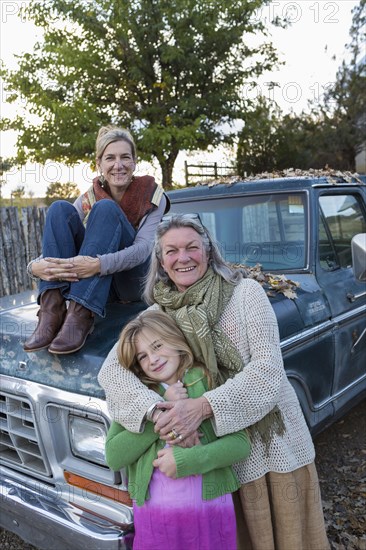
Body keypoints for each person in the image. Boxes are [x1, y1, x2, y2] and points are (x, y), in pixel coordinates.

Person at [98, 213, 330, 550]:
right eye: (172, 251)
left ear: (208, 251)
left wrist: (202, 407)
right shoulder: (156, 316)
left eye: (192, 247)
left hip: (269, 446)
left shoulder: (246, 294)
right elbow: (112, 372)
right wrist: (158, 413)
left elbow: (268, 372)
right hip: (211, 461)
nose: (183, 257)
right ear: (161, 262)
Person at [105, 309, 251, 550]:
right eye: (142, 356)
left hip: (209, 511)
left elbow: (240, 444)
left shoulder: (206, 382)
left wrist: (187, 460)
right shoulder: (134, 396)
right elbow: (114, 456)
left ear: (176, 341)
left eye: (158, 345)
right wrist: (158, 413)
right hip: (156, 518)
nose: (152, 359)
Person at [24, 125, 169, 355]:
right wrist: (34, 266)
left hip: (133, 283)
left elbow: (143, 250)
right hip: (100, 283)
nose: (118, 165)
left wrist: (98, 264)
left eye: (125, 157)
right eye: (110, 158)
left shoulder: (152, 195)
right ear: (99, 164)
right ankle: (52, 309)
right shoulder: (88, 197)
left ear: (134, 162)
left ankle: (81, 314)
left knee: (105, 209)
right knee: (59, 210)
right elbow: (60, 241)